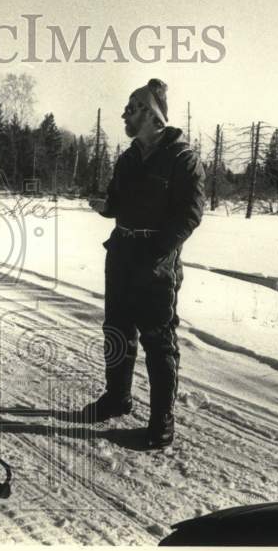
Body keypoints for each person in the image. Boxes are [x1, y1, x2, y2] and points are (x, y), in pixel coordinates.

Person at [85, 78, 205, 449]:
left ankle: (160, 422)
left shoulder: (183, 160)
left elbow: (190, 216)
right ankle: (117, 397)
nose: (126, 113)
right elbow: (117, 203)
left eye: (134, 107)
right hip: (121, 253)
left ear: (154, 116)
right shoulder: (128, 157)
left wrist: (159, 254)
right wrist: (106, 208)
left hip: (156, 263)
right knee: (117, 331)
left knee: (158, 340)